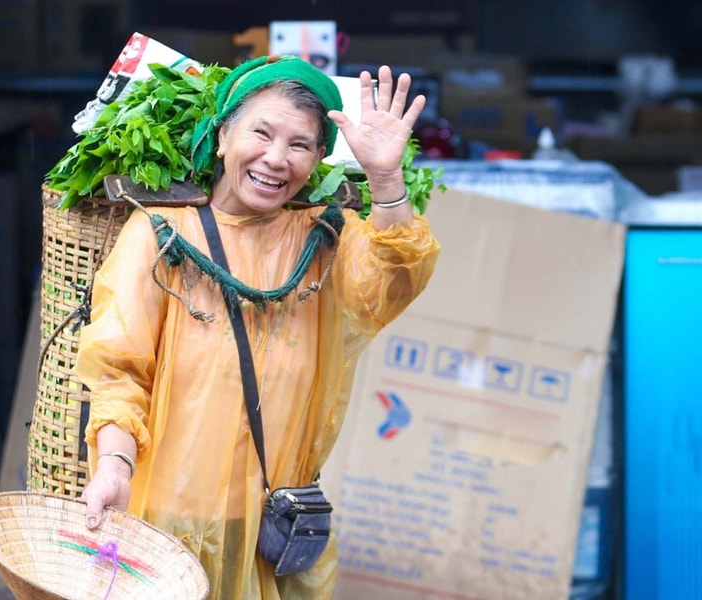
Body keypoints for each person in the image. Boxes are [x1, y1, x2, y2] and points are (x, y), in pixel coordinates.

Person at [76, 54, 441, 599]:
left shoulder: (327, 239)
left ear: (319, 159)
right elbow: (118, 372)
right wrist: (113, 467)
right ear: (223, 135)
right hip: (164, 521)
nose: (276, 158)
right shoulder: (160, 234)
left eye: (299, 145)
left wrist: (385, 177)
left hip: (272, 526)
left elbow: (395, 280)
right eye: (261, 133)